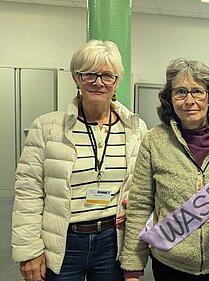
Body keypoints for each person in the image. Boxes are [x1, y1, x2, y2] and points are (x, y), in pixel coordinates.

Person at [11, 39, 148, 281]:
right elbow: (28, 192)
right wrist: (29, 250)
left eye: (107, 76)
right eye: (89, 74)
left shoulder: (135, 129)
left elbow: (140, 185)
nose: (98, 82)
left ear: (117, 81)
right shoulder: (46, 128)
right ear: (76, 78)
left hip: (112, 242)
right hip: (63, 241)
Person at [120, 58, 209, 281]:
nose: (189, 100)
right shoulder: (154, 141)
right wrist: (133, 268)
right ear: (170, 98)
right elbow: (140, 205)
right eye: (180, 92)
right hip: (171, 265)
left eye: (197, 92)